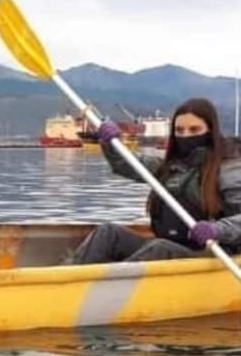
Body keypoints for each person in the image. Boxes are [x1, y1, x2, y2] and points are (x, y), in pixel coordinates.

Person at [69, 97, 241, 264]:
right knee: (108, 233)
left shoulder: (229, 170)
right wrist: (111, 144)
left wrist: (216, 229)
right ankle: (68, 279)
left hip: (212, 255)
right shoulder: (170, 167)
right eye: (179, 130)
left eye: (194, 130)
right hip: (173, 248)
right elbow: (128, 164)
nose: (186, 136)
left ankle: (107, 286)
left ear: (211, 132)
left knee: (160, 248)